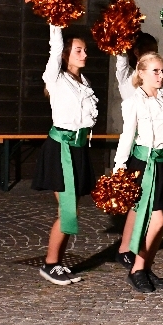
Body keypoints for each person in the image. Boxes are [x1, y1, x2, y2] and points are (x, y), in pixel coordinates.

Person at [114, 32, 163, 269]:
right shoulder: (134, 100)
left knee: (158, 218)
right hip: (146, 163)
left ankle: (142, 265)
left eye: (161, 71)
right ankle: (137, 266)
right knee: (152, 216)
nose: (160, 75)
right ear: (141, 72)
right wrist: (119, 166)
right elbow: (127, 135)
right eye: (155, 71)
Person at [32, 24, 98, 285]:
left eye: (85, 50)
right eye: (79, 51)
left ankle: (55, 262)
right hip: (61, 148)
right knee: (68, 209)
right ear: (66, 54)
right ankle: (50, 264)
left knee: (72, 208)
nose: (84, 55)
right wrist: (56, 21)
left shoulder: (85, 82)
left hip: (79, 149)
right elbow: (55, 46)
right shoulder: (56, 78)